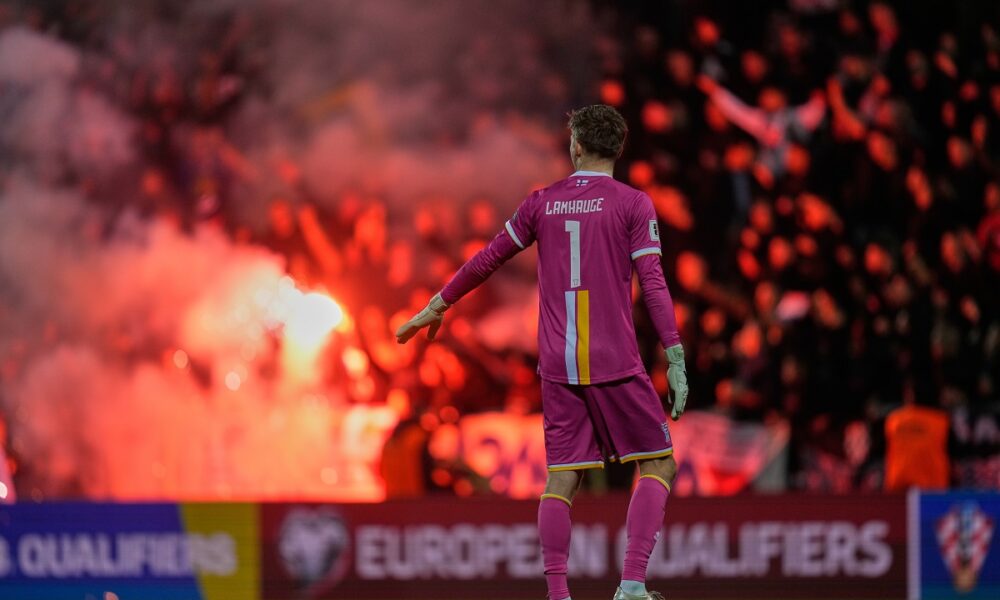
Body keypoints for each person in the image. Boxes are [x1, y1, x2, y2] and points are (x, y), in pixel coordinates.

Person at [396, 105, 688, 600]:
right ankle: (632, 586)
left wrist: (439, 302)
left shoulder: (542, 203)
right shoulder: (634, 204)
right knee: (658, 464)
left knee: (562, 478)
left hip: (557, 363)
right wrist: (676, 357)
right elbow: (654, 284)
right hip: (614, 359)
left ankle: (557, 595)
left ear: (575, 146)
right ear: (618, 150)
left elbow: (488, 257)